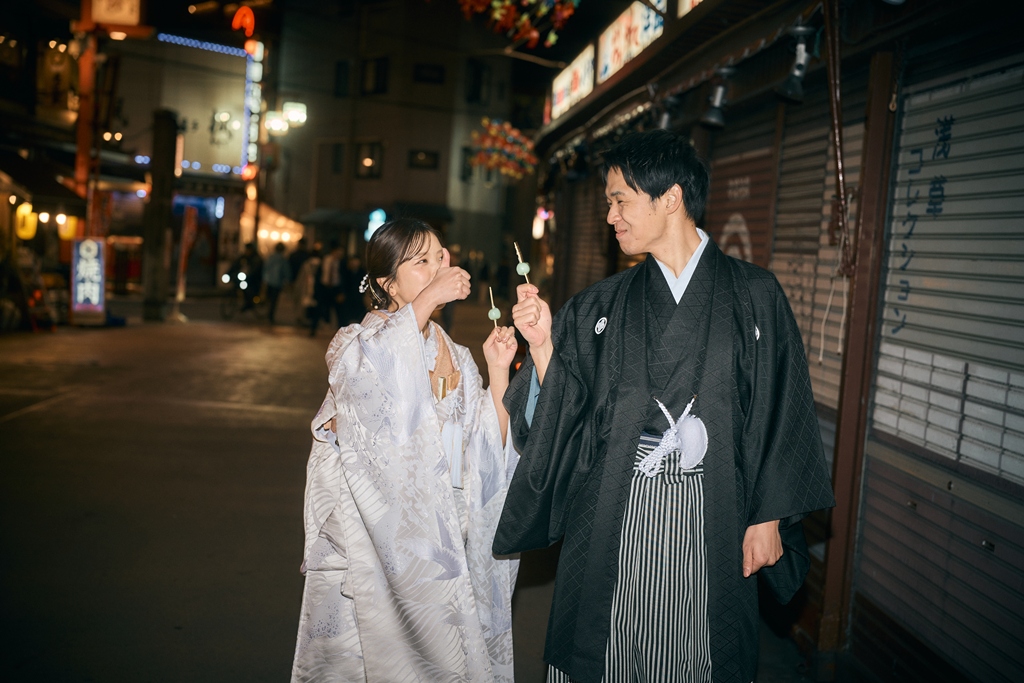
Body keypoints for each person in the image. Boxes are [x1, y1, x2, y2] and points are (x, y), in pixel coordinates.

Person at [492, 130, 835, 683]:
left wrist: (769, 515)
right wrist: (542, 348)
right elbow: (565, 416)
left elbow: (781, 409)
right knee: (604, 652)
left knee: (698, 654)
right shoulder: (600, 305)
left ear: (670, 197)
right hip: (613, 508)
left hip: (714, 511)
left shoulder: (755, 295)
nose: (610, 216)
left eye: (619, 200)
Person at [291, 218, 521, 682]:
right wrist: (431, 296)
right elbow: (372, 389)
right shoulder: (355, 345)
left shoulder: (457, 355)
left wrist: (498, 371)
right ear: (387, 283)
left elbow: (486, 444)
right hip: (377, 541)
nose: (437, 268)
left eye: (440, 257)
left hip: (443, 532)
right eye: (421, 262)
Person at [263, 242, 291, 324]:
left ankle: (268, 314)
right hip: (277, 282)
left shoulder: (271, 258)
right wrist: (288, 280)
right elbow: (286, 271)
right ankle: (270, 315)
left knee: (269, 299)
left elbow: (265, 268)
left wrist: (265, 279)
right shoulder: (282, 259)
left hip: (269, 281)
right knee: (274, 300)